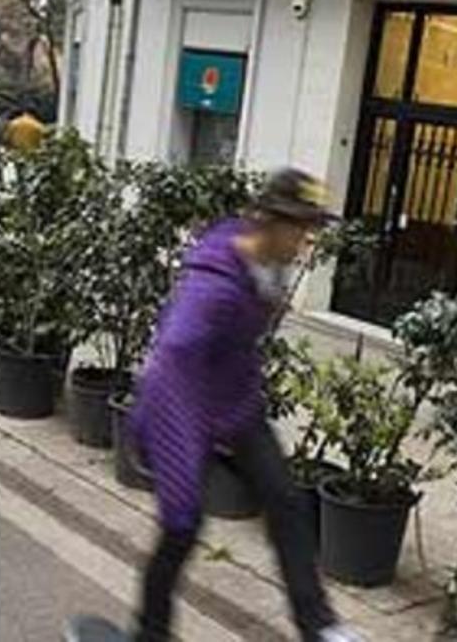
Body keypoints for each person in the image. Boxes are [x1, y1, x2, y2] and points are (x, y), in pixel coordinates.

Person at [129, 169, 363, 642]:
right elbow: (172, 366)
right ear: (270, 222)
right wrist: (171, 457)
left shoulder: (261, 261)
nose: (306, 242)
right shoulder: (208, 292)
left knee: (285, 499)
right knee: (182, 523)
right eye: (300, 229)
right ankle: (149, 634)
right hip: (181, 403)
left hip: (234, 401)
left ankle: (318, 627)